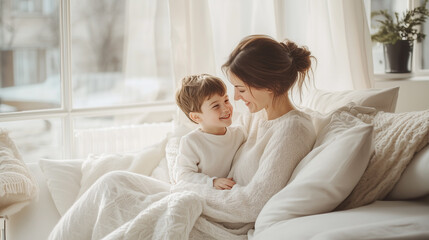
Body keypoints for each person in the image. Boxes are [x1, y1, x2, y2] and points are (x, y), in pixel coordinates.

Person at [48, 34, 317, 239]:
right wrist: (195, 183)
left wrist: (189, 188)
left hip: (218, 220)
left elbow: (250, 206)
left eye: (240, 90)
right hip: (204, 197)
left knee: (121, 201)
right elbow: (210, 139)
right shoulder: (256, 115)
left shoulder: (292, 130)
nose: (235, 99)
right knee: (112, 181)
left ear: (268, 85)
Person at [174, 74, 245, 190]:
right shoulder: (191, 142)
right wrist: (212, 182)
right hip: (207, 188)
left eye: (226, 100)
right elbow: (182, 175)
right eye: (216, 106)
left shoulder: (239, 134)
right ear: (196, 117)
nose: (226, 108)